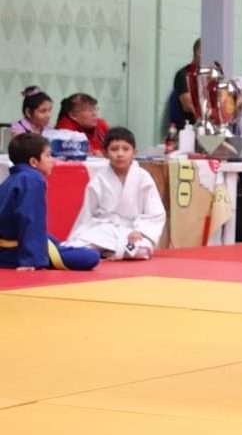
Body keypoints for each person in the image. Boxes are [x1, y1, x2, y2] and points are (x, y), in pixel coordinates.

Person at [0, 133, 100, 271]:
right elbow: (30, 219)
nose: (52, 160)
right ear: (34, 162)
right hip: (16, 253)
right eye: (48, 156)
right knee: (90, 257)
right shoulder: (32, 179)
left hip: (7, 249)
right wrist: (31, 261)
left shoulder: (11, 179)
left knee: (65, 246)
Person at [65, 127, 166, 259]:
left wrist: (140, 231)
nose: (120, 154)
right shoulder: (99, 179)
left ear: (134, 152)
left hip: (132, 230)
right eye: (114, 149)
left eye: (125, 149)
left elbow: (155, 213)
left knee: (141, 250)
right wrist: (82, 233)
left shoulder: (143, 177)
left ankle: (107, 252)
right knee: (81, 245)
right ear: (105, 153)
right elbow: (87, 214)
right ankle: (106, 250)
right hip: (104, 229)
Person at [168, 38, 202, 130]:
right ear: (198, 53)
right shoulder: (183, 75)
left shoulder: (209, 77)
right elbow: (188, 106)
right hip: (187, 129)